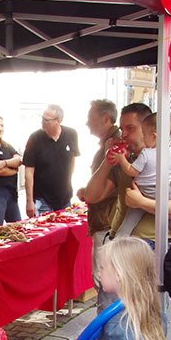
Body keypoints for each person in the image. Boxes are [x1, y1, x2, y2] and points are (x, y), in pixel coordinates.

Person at [76, 99, 120, 310]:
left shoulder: (115, 145)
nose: (86, 123)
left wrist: (90, 193)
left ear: (105, 119)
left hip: (107, 223)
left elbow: (105, 190)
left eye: (90, 118)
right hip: (106, 221)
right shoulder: (108, 144)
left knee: (106, 286)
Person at [111, 112, 171, 238]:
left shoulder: (146, 154)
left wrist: (121, 159)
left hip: (143, 191)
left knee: (129, 221)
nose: (143, 138)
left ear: (154, 137)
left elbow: (131, 171)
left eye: (144, 134)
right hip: (165, 193)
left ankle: (119, 239)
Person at [23, 104, 80, 217]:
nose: (42, 122)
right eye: (42, 118)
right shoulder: (35, 138)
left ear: (58, 121)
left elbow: (72, 162)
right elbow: (28, 172)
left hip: (64, 198)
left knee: (63, 231)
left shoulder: (71, 134)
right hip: (42, 199)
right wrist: (29, 201)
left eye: (46, 120)